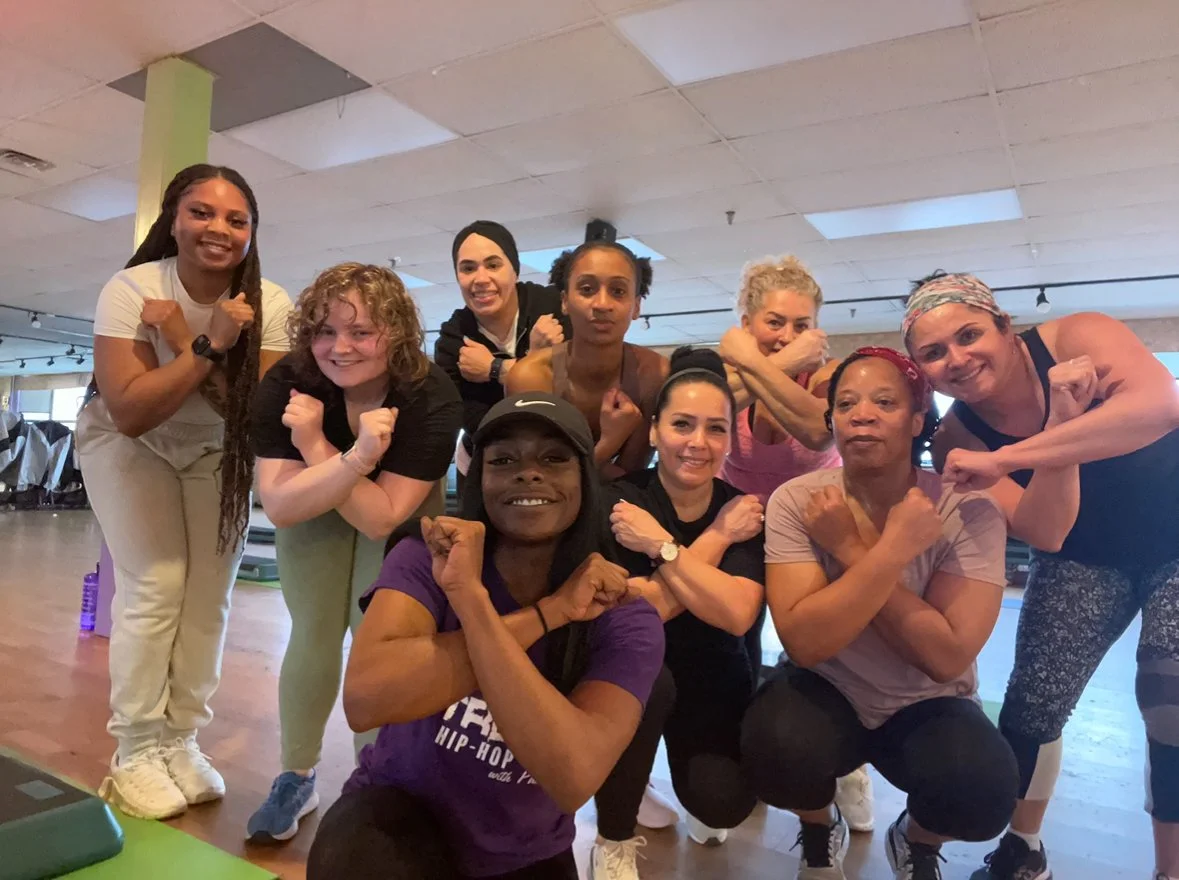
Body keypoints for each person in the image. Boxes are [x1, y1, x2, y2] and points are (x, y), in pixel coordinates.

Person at [306, 393, 665, 880]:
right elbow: (367, 699)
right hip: (396, 821)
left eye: (554, 458)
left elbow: (574, 776)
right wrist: (531, 609)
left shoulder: (621, 614)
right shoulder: (427, 557)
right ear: (479, 479)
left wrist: (476, 606)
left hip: (523, 852)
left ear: (586, 478)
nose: (529, 472)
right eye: (504, 459)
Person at [903, 272, 1179, 880]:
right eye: (934, 352)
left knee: (1171, 700)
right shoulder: (957, 437)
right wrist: (1060, 423)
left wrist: (1009, 456)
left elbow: (1161, 406)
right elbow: (1047, 533)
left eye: (969, 334)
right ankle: (1019, 849)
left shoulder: (1081, 337)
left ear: (1005, 327)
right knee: (1031, 711)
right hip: (1082, 555)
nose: (958, 358)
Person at [740, 347, 1019, 880]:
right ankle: (821, 829)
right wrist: (891, 552)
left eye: (884, 402)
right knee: (771, 747)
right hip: (828, 687)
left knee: (983, 791)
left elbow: (946, 655)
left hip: (928, 702)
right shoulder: (800, 501)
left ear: (917, 420)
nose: (862, 413)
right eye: (845, 404)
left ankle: (914, 839)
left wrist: (851, 549)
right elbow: (804, 642)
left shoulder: (967, 508)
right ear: (833, 422)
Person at [78, 163, 293, 819]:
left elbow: (246, 417)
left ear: (252, 233)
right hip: (128, 443)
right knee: (157, 582)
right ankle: (135, 750)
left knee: (209, 597)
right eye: (201, 212)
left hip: (216, 450)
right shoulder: (131, 287)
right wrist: (205, 346)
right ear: (173, 218)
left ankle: (179, 739)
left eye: (236, 219)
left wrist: (179, 338)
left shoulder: (271, 305)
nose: (218, 229)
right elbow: (131, 412)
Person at [246, 262, 462, 842]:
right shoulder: (287, 383)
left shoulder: (429, 393)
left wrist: (319, 447)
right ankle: (295, 774)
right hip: (317, 507)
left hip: (390, 511)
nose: (340, 348)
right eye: (324, 331)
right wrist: (351, 457)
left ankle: (383, 778)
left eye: (361, 332)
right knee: (313, 630)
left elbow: (382, 518)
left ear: (395, 334)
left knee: (380, 643)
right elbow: (284, 507)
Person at [589, 347, 766, 880]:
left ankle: (662, 776)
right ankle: (613, 837)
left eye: (715, 429)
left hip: (713, 674)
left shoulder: (743, 511)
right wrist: (713, 544)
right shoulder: (619, 504)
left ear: (730, 440)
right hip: (636, 674)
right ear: (653, 432)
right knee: (649, 678)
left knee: (723, 806)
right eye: (682, 424)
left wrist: (662, 547)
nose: (697, 443)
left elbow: (736, 614)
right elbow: (626, 614)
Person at [718, 257, 879, 830]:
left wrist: (747, 357)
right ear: (747, 319)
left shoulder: (827, 374)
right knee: (734, 642)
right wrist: (776, 362)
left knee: (821, 651)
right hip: (743, 521)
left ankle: (848, 767)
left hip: (817, 526)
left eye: (799, 324)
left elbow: (817, 428)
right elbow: (709, 407)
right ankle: (742, 758)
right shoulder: (734, 372)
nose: (786, 335)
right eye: (772, 323)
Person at [507, 240, 669, 477]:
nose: (602, 304)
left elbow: (629, 478)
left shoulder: (654, 373)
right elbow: (541, 479)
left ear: (635, 306)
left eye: (618, 291)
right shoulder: (530, 377)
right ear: (564, 301)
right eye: (586, 289)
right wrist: (610, 442)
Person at [435, 221, 570, 498]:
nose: (481, 278)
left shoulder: (555, 309)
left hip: (558, 451)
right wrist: (536, 366)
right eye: (468, 268)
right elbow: (480, 425)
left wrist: (497, 369)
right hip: (484, 463)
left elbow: (574, 395)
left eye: (493, 265)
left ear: (515, 270)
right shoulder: (452, 343)